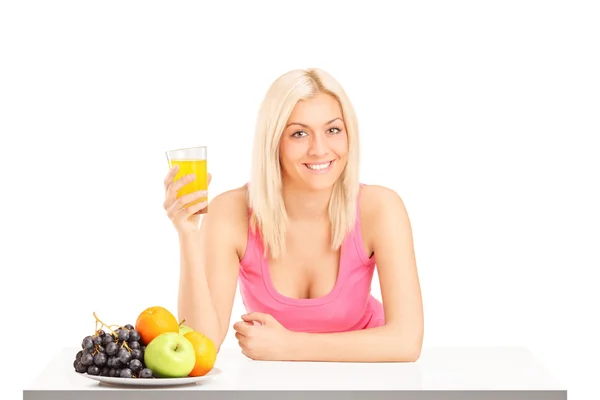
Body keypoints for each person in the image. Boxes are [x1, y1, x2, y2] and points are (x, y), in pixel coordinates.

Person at [163, 68, 424, 362]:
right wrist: (188, 235)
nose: (320, 149)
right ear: (273, 142)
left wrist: (289, 346)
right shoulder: (231, 212)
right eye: (299, 133)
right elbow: (199, 349)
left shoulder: (380, 208)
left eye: (333, 130)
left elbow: (406, 342)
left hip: (369, 378)